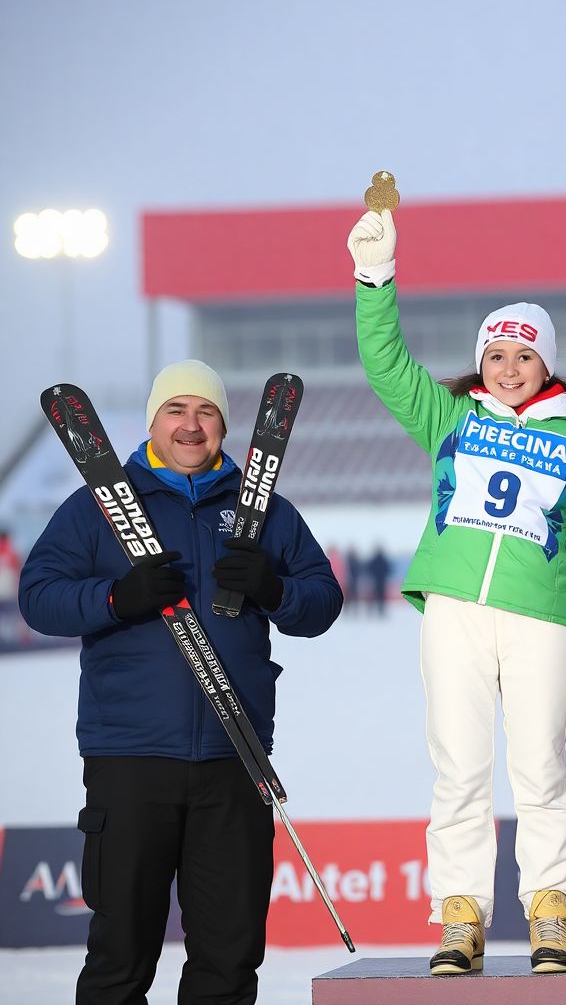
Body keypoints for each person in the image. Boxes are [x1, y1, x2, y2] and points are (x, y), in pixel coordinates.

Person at [347, 207, 566, 975]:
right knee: (460, 768)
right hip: (454, 612)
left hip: (538, 616)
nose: (509, 369)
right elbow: (385, 364)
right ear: (482, 361)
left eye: (523, 357)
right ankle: (461, 916)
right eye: (497, 355)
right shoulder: (450, 419)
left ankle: (548, 911)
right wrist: (375, 279)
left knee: (539, 767)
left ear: (548, 367)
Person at [19, 360, 344, 1005]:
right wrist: (116, 597)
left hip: (236, 754)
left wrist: (274, 589)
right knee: (122, 951)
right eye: (176, 411)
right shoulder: (95, 509)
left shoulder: (268, 513)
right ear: (152, 422)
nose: (191, 426)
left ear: (224, 425)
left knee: (228, 956)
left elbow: (322, 601)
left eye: (206, 413)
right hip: (131, 754)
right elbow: (39, 597)